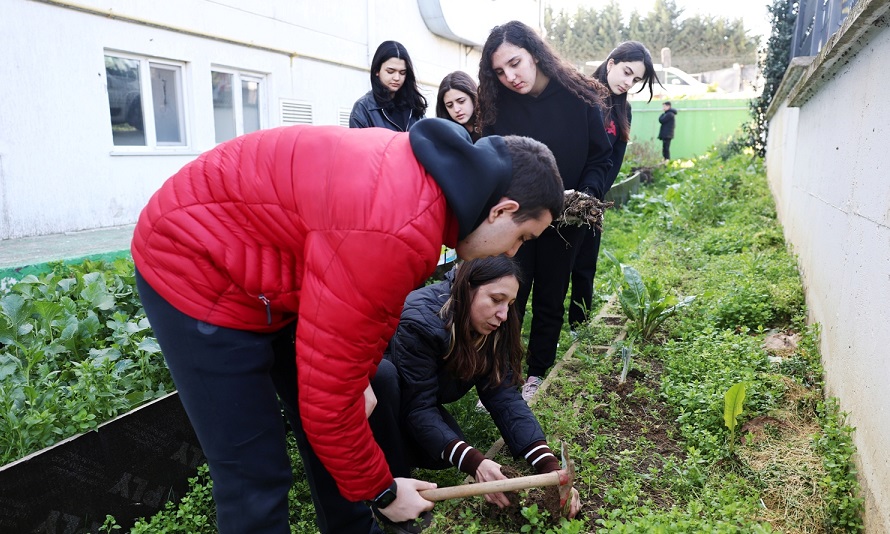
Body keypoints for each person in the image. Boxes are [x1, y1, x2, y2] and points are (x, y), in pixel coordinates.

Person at [130, 118, 564, 534]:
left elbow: (358, 320)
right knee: (254, 469)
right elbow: (328, 402)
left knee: (353, 402)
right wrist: (383, 490)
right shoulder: (399, 229)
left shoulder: (429, 189)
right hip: (195, 263)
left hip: (279, 266)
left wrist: (358, 377)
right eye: (522, 238)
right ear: (502, 210)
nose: (511, 254)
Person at [373, 255, 581, 524]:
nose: (504, 314)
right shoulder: (420, 320)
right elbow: (418, 407)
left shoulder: (493, 327)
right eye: (496, 300)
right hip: (370, 403)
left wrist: (551, 470)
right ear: (467, 287)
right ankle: (392, 490)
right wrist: (475, 463)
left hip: (416, 399)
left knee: (438, 454)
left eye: (509, 304)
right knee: (383, 376)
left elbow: (503, 395)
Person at [477, 20, 613, 403]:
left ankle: (536, 372)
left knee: (552, 295)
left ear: (535, 53)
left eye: (515, 63)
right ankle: (501, 374)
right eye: (500, 72)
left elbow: (600, 157)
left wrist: (586, 195)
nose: (510, 77)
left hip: (567, 220)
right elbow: (488, 160)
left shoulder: (580, 95)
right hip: (514, 220)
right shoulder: (497, 106)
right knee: (509, 296)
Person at [569, 42, 657, 331]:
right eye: (626, 72)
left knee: (585, 265)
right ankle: (548, 329)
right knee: (556, 268)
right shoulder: (579, 95)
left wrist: (592, 198)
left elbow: (613, 161)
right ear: (611, 63)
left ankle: (578, 327)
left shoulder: (623, 111)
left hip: (593, 200)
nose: (627, 82)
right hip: (564, 196)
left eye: (635, 80)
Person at [349, 41, 427, 131]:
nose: (397, 78)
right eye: (390, 71)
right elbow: (358, 144)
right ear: (377, 71)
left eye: (402, 73)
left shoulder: (414, 105)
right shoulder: (363, 108)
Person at [436, 71, 480, 141]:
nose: (456, 109)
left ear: (474, 98)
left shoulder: (491, 124)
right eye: (449, 105)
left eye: (461, 101)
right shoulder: (445, 133)